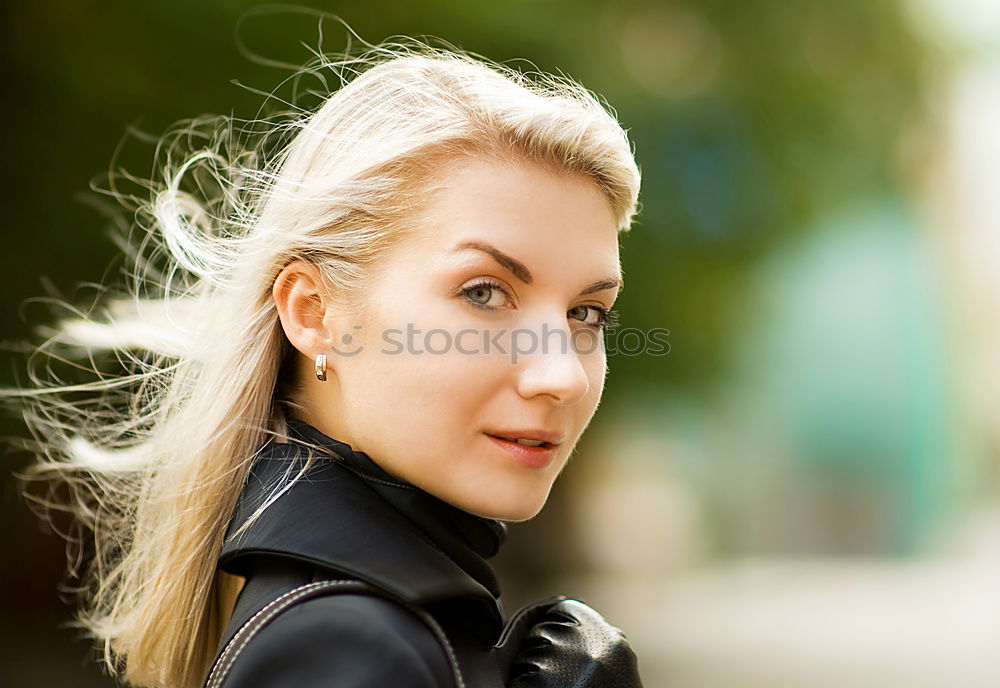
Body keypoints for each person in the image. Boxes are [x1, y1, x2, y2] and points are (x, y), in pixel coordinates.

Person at [3, 32, 644, 688]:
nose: (561, 374)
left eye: (585, 314)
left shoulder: (369, 621)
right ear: (313, 313)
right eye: (483, 293)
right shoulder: (351, 648)